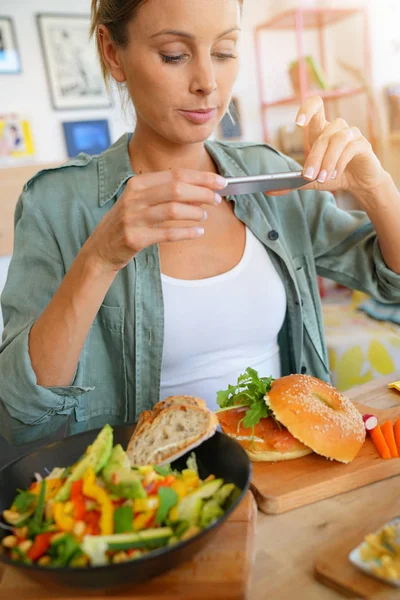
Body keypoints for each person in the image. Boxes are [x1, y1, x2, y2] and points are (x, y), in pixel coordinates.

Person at [1, 0, 400, 447]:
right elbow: (17, 415)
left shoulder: (269, 178)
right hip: (157, 502)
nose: (208, 83)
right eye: (175, 54)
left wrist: (377, 187)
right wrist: (100, 258)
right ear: (113, 53)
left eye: (225, 52)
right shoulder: (55, 203)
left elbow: (394, 287)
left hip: (288, 482)